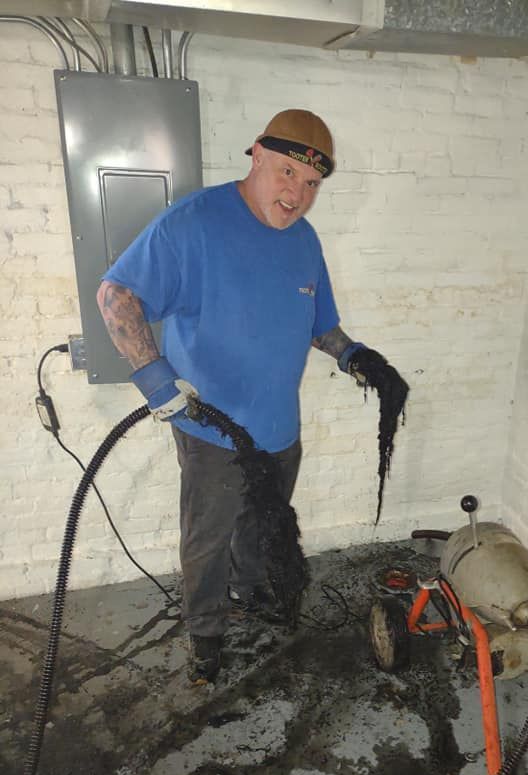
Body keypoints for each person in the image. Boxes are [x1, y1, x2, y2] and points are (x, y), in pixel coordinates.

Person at [96, 108, 406, 686]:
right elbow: (116, 295)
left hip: (278, 425)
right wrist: (155, 379)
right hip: (210, 429)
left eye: (311, 184)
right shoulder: (193, 224)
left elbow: (318, 323)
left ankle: (251, 592)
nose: (297, 194)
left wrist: (357, 357)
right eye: (287, 173)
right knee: (208, 538)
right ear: (257, 155)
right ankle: (206, 634)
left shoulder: (305, 241)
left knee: (263, 524)